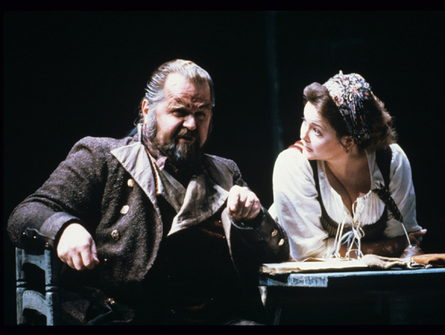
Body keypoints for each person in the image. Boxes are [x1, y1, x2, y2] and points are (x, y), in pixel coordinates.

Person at [8, 59, 289, 325]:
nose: (191, 124)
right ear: (146, 109)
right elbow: (26, 212)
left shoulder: (226, 173)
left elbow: (275, 258)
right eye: (179, 111)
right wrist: (64, 228)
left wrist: (254, 219)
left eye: (201, 114)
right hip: (124, 316)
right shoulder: (102, 157)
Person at [271, 71, 426, 262]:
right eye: (305, 121)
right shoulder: (293, 165)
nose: (303, 135)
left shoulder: (391, 161)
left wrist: (399, 244)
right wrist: (390, 247)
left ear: (349, 141)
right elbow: (309, 255)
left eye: (316, 131)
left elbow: (404, 239)